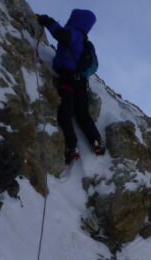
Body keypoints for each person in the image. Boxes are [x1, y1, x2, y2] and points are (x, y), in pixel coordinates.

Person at [36, 9, 105, 165]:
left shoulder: (73, 33)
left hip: (67, 79)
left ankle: (72, 147)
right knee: (82, 114)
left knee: (65, 112)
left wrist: (47, 20)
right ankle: (96, 142)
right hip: (81, 82)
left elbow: (61, 34)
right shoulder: (84, 40)